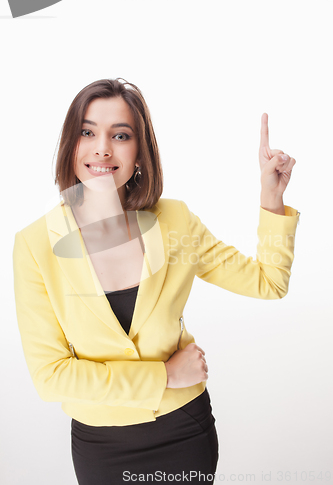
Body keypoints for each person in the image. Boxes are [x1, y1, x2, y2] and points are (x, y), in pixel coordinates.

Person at [13, 78, 300, 484]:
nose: (102, 148)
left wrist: (271, 198)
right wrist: (166, 376)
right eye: (88, 132)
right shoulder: (34, 244)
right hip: (102, 445)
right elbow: (51, 376)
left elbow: (268, 282)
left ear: (140, 152)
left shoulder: (174, 221)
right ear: (70, 145)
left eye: (121, 135)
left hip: (183, 432)